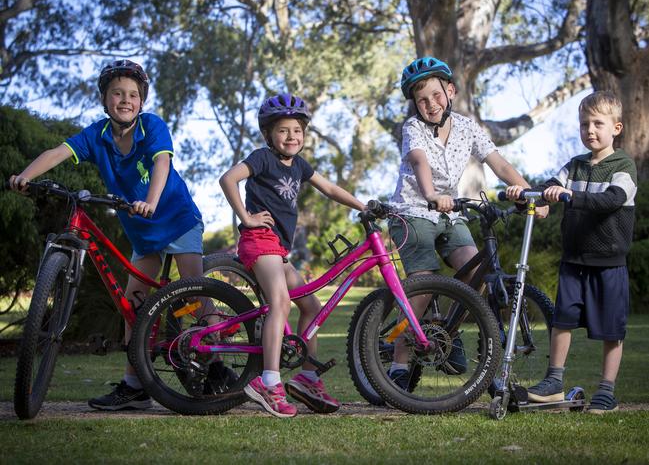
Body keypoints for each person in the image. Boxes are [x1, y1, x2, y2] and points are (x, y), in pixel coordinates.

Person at [9, 59, 207, 411]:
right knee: (134, 307)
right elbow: (58, 152)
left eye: (133, 94)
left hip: (176, 217)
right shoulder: (96, 136)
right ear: (105, 100)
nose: (125, 99)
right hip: (143, 231)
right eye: (117, 93)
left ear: (142, 102)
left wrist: (150, 200)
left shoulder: (152, 126)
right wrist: (25, 175)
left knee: (195, 292)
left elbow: (162, 163)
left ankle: (217, 359)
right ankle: (135, 387)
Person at [387, 56, 548, 388]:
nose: (430, 104)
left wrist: (531, 195)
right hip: (413, 212)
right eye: (421, 100)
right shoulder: (413, 128)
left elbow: (499, 163)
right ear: (414, 105)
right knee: (423, 281)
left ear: (450, 91)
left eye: (435, 95)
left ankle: (449, 329)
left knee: (477, 272)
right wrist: (431, 193)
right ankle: (399, 360)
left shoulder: (467, 127)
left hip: (450, 213)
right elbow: (419, 161)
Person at [219, 93, 365, 418]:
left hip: (279, 250)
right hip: (259, 239)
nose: (291, 137)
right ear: (269, 135)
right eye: (283, 131)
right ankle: (268, 383)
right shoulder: (261, 158)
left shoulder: (299, 165)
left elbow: (329, 189)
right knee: (281, 302)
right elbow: (228, 179)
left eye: (297, 131)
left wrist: (364, 206)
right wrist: (246, 217)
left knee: (311, 305)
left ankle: (307, 377)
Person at [506, 90, 637, 414]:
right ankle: (553, 382)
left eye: (597, 124)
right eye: (584, 124)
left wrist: (569, 196)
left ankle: (606, 390)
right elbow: (548, 189)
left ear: (615, 128)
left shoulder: (623, 166)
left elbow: (612, 201)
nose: (589, 130)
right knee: (562, 322)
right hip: (574, 261)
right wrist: (523, 194)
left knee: (611, 329)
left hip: (608, 263)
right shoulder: (574, 166)